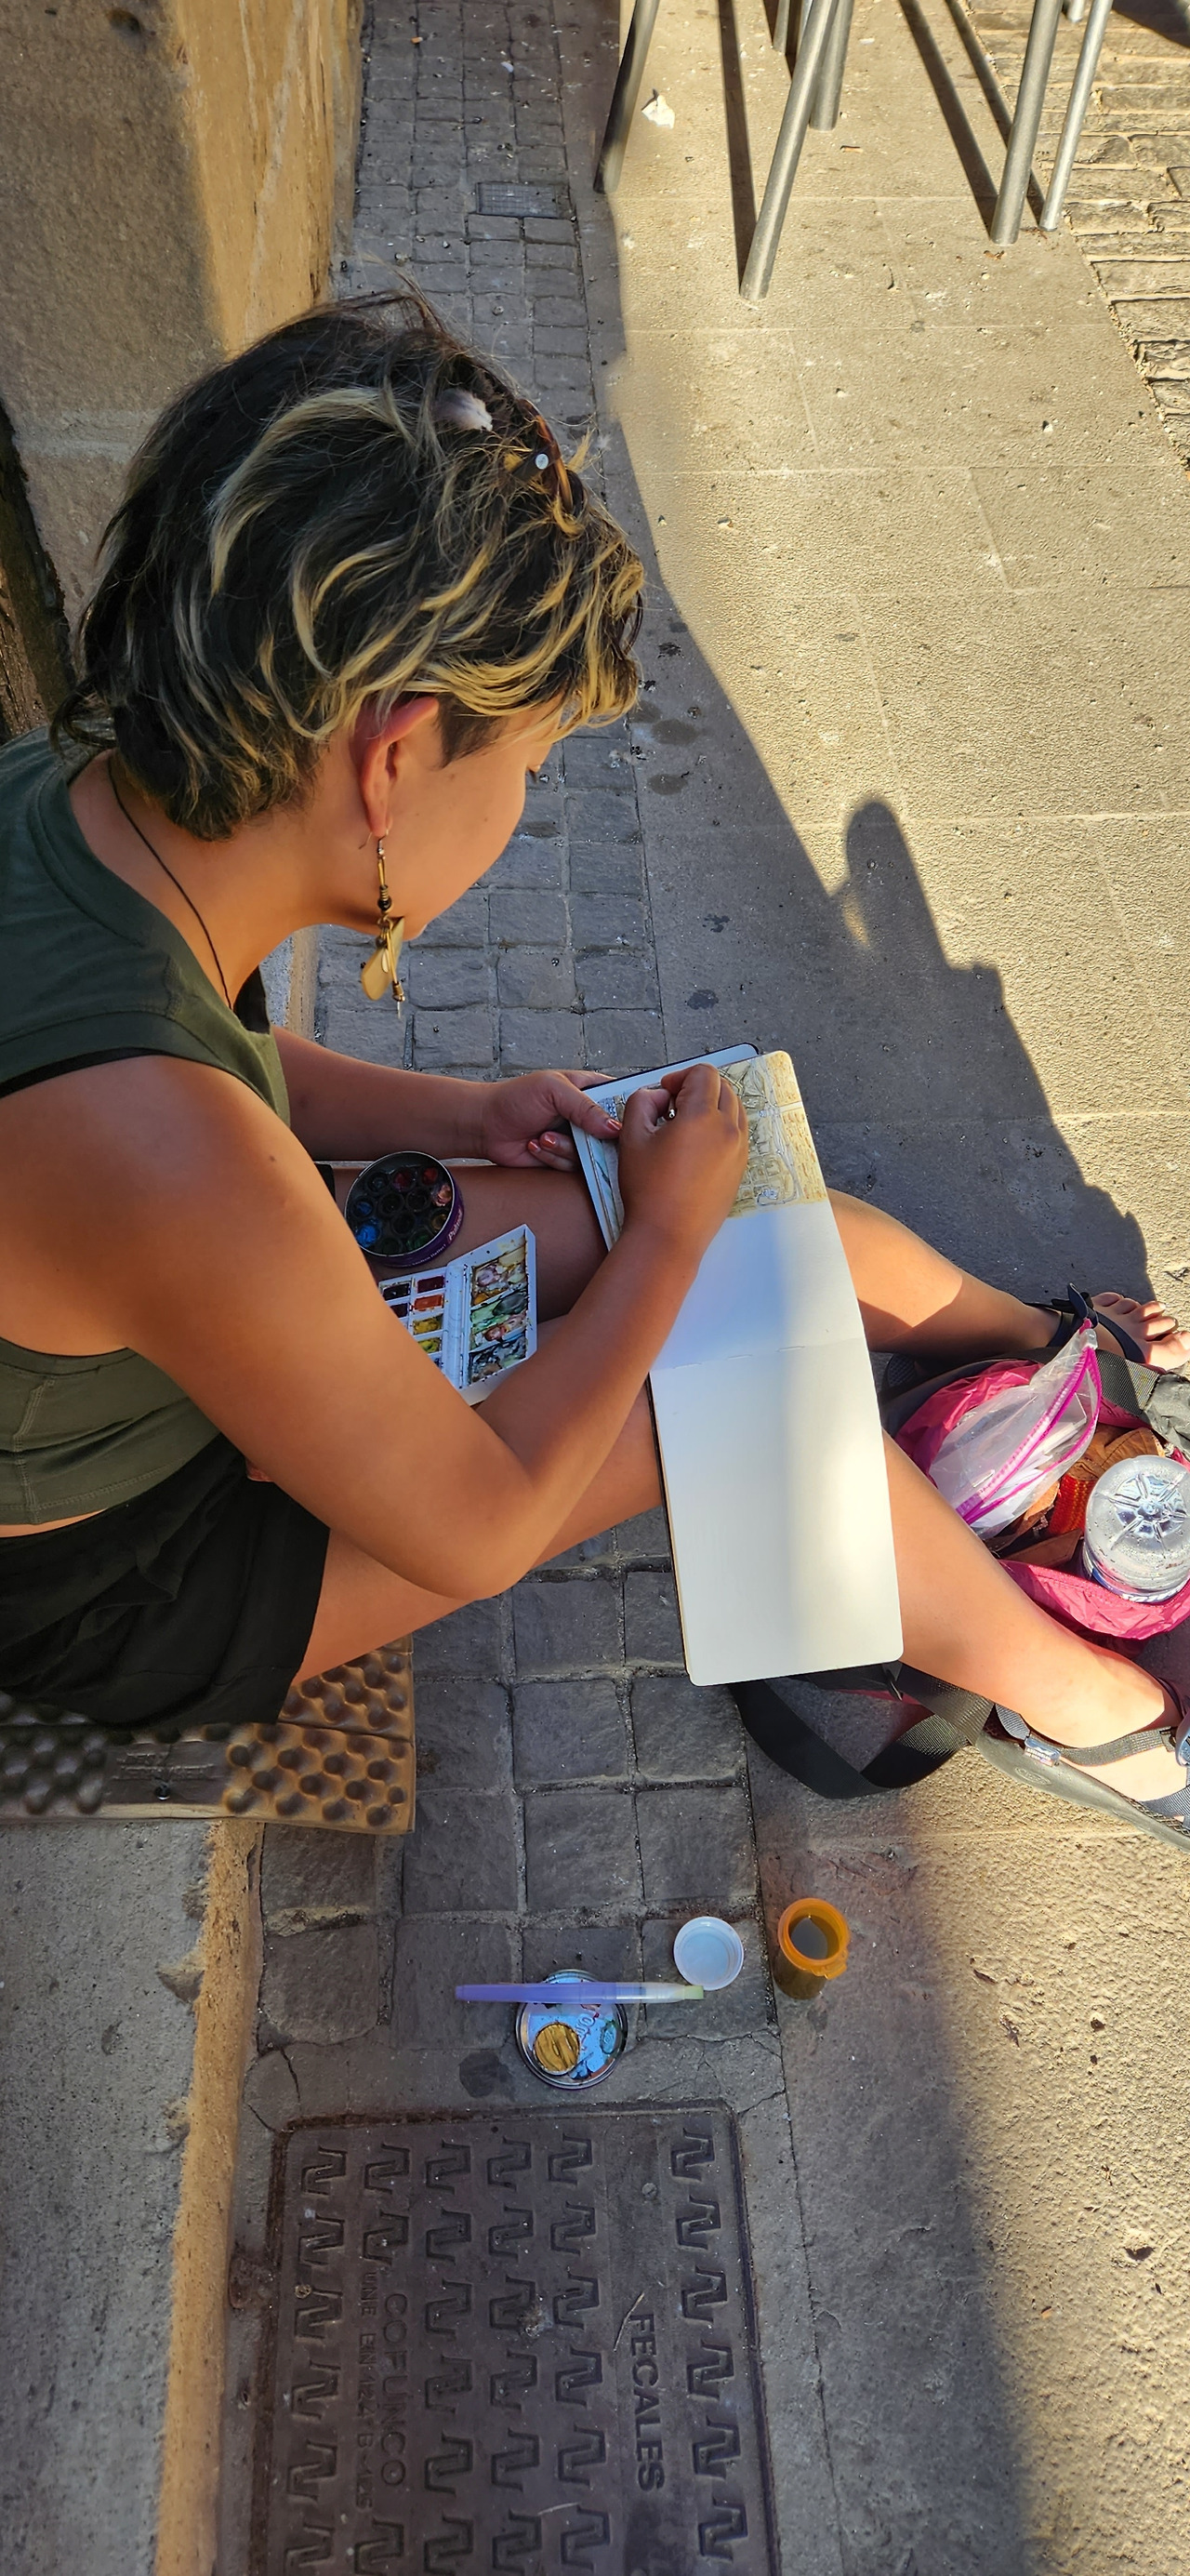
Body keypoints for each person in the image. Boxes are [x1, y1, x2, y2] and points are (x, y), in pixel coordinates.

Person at [2, 290, 1189, 1830]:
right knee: (725, 1386)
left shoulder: (80, 788)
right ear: (394, 758)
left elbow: (222, 1048)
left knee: (762, 1226)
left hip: (167, 1317)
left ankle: (1041, 1355)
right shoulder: (171, 1161)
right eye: (532, 763)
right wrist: (665, 1237)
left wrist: (467, 1111)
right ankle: (1100, 1710)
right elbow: (481, 1523)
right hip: (137, 1569)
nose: (524, 803)